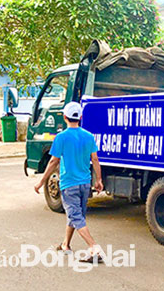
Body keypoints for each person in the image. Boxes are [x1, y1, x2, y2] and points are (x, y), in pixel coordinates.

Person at [34, 101, 104, 263]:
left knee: (76, 216)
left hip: (69, 184)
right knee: (75, 215)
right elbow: (95, 159)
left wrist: (40, 182)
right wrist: (98, 180)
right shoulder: (88, 136)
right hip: (85, 184)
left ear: (64, 117)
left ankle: (94, 248)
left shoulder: (61, 137)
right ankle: (66, 244)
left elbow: (53, 162)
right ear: (80, 117)